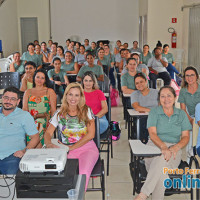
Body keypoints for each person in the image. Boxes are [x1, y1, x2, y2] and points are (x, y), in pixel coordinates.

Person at [135, 86, 192, 200]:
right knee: (162, 166)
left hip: (174, 150)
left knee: (161, 166)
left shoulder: (181, 114)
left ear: (175, 97)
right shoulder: (154, 112)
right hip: (154, 147)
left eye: (169, 96)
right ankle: (144, 194)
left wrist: (176, 147)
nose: (166, 99)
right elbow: (153, 134)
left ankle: (143, 195)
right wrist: (163, 147)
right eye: (162, 96)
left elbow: (185, 137)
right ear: (159, 99)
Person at [44, 82, 99, 190]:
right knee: (64, 175)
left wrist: (72, 147)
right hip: (66, 150)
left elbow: (91, 134)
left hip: (87, 148)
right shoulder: (59, 114)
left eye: (76, 95)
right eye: (70, 94)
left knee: (83, 173)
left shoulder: (86, 110)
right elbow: (48, 133)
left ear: (81, 97)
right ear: (66, 95)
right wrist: (49, 143)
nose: (73, 98)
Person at [0, 86, 39, 174]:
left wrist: (24, 151)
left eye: (13, 99)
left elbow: (35, 137)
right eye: (6, 98)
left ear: (18, 102)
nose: (8, 101)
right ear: (2, 98)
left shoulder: (24, 116)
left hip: (12, 157)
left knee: (11, 185)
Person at [23, 69, 57, 148]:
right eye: (38, 77)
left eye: (42, 78)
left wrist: (53, 124)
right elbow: (24, 109)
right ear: (34, 78)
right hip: (30, 120)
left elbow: (53, 110)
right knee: (34, 125)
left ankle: (32, 148)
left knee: (38, 124)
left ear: (45, 80)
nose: (39, 80)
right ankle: (36, 149)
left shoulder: (49, 92)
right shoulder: (28, 92)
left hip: (45, 120)